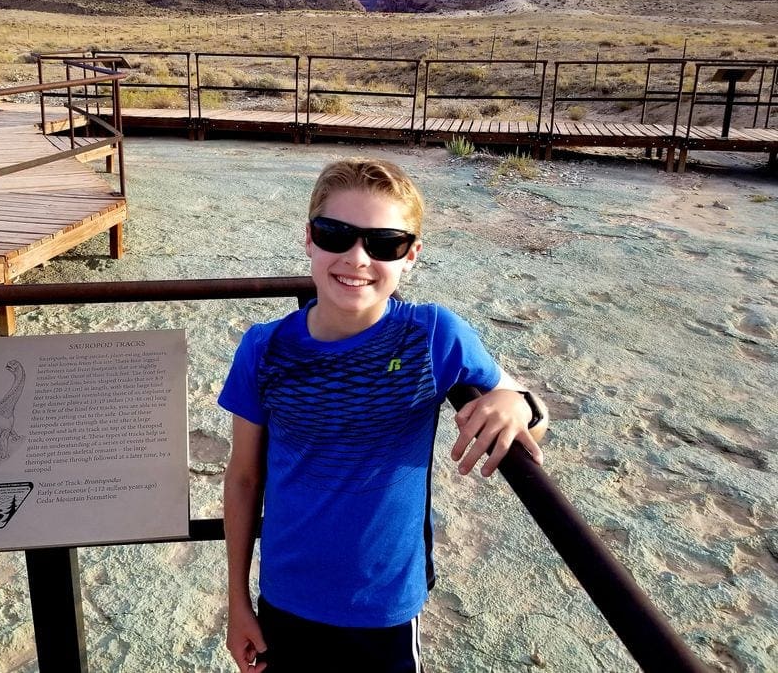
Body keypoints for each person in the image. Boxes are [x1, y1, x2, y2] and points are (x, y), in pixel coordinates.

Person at [219, 158, 549, 672]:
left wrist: (514, 402)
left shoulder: (432, 335)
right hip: (285, 597)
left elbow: (531, 413)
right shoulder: (264, 349)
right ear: (308, 238)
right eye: (336, 235)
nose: (356, 258)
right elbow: (243, 478)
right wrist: (237, 602)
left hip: (385, 607)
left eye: (384, 243)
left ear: (411, 255)